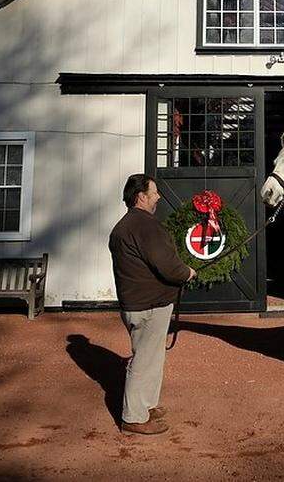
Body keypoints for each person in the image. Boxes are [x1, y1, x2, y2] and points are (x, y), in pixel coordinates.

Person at [108, 173, 195, 435]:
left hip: (135, 304)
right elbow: (167, 265)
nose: (158, 197)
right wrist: (187, 273)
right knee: (144, 360)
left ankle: (146, 404)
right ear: (141, 197)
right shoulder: (146, 226)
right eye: (154, 192)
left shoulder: (122, 227)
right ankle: (133, 417)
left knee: (151, 357)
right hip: (149, 306)